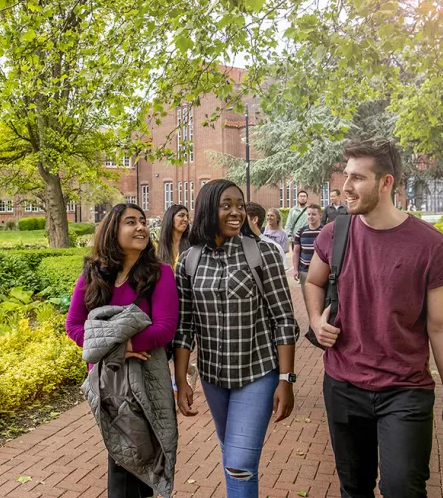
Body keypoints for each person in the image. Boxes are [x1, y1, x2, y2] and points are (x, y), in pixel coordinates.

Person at [304, 140, 443, 497]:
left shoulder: (430, 245)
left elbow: (442, 326)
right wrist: (316, 320)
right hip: (343, 386)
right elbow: (313, 280)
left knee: (403, 488)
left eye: (358, 178)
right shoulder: (335, 234)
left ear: (386, 182)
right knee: (354, 488)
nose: (346, 186)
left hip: (405, 391)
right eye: (345, 176)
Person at [174, 179, 297, 498]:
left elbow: (283, 318)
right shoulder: (188, 260)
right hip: (214, 377)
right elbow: (185, 326)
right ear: (207, 209)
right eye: (225, 205)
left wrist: (286, 379)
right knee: (231, 455)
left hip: (257, 372)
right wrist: (182, 380)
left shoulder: (263, 252)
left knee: (240, 463)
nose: (235, 212)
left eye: (239, 205)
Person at [65, 203, 179, 498]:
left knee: (137, 457)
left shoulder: (160, 274)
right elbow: (75, 326)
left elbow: (165, 328)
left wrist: (124, 344)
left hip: (144, 380)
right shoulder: (94, 274)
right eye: (131, 222)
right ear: (113, 230)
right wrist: (117, 350)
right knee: (124, 457)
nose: (141, 227)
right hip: (106, 383)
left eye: (142, 221)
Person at [157, 203, 199, 391]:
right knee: (168, 345)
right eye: (181, 215)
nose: (185, 219)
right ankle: (189, 369)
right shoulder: (158, 248)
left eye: (187, 216)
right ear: (170, 218)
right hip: (165, 304)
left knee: (181, 340)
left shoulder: (191, 245)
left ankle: (177, 382)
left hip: (186, 302)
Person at [245, 202, 287, 269]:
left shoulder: (275, 247)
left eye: (243, 218)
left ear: (255, 219)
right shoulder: (234, 245)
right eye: (268, 215)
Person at [293, 204, 323, 288]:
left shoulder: (325, 231)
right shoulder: (301, 231)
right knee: (307, 299)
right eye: (309, 214)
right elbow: (296, 252)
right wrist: (295, 270)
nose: (311, 217)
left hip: (321, 271)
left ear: (320, 215)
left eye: (314, 214)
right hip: (304, 271)